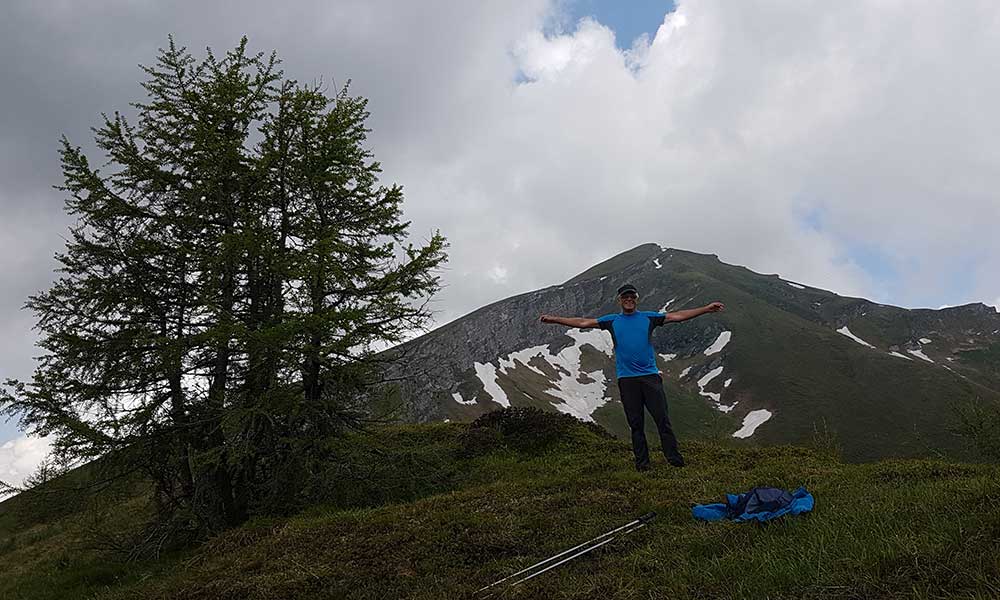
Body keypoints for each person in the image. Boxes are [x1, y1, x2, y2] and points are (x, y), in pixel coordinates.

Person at [540, 283, 724, 471]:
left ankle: (674, 459)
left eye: (632, 297)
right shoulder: (612, 321)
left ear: (636, 299)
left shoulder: (648, 317)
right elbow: (583, 322)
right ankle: (642, 464)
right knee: (636, 424)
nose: (629, 300)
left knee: (662, 419)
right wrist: (555, 319)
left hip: (650, 377)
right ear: (619, 300)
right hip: (627, 380)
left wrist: (706, 309)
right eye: (625, 297)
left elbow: (677, 316)